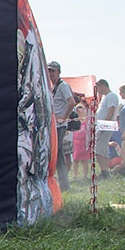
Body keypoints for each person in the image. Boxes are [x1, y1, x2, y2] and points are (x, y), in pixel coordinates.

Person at [46, 61, 76, 191]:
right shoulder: (54, 87)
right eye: (49, 71)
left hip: (59, 125)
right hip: (54, 125)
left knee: (58, 155)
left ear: (59, 72)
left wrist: (64, 117)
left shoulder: (63, 86)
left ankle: (64, 186)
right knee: (56, 155)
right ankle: (62, 184)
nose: (51, 73)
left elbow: (71, 102)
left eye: (53, 71)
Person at [94, 79, 118, 179]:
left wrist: (104, 124)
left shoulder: (111, 96)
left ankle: (104, 172)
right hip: (103, 125)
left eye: (98, 87)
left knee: (98, 149)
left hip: (105, 126)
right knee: (102, 149)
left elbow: (111, 110)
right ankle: (105, 171)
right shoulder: (105, 97)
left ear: (103, 86)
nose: (98, 90)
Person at [71, 102, 91, 179]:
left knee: (85, 160)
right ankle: (75, 175)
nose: (80, 110)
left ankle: (85, 175)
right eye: (78, 108)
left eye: (82, 108)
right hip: (76, 142)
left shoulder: (88, 121)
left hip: (84, 142)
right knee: (75, 159)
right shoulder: (75, 120)